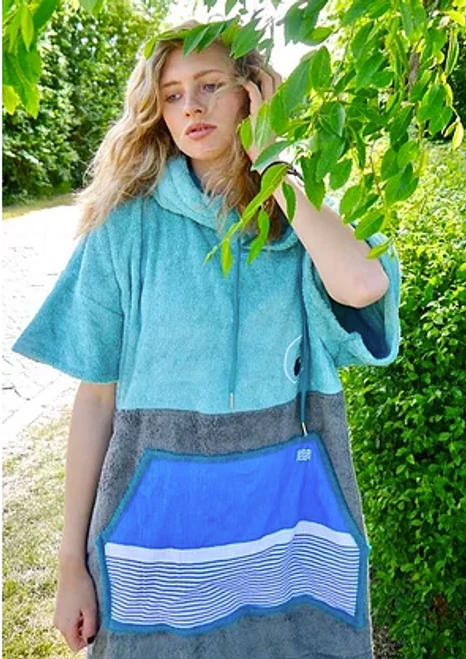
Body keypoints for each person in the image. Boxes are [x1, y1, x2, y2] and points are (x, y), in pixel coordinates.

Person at [13, 18, 400, 659]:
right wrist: (70, 564)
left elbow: (361, 285)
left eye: (210, 85)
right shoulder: (125, 227)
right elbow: (96, 401)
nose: (190, 106)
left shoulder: (303, 215)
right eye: (171, 94)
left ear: (253, 93)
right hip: (158, 536)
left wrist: (277, 165)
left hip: (285, 531)